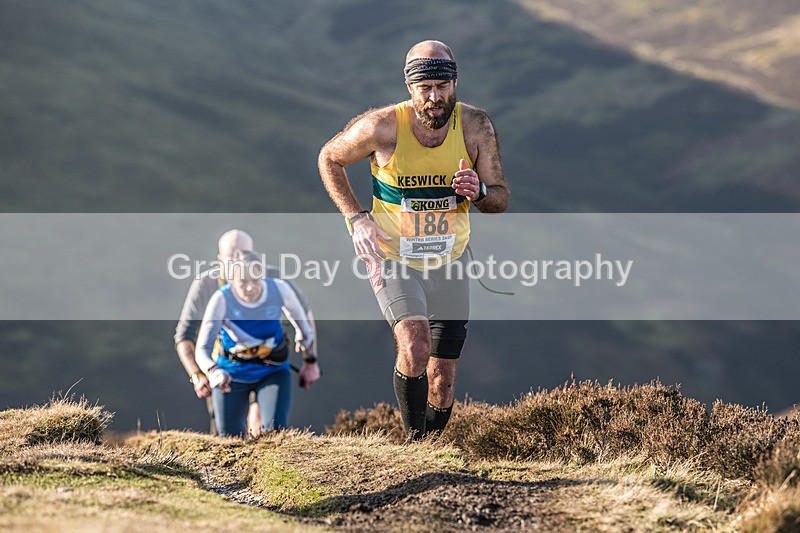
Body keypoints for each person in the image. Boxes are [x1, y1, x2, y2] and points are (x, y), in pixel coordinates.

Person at [318, 40, 510, 439]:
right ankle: (414, 444)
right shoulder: (382, 127)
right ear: (410, 88)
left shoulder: (475, 126)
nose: (435, 97)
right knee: (416, 345)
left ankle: (434, 446)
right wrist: (357, 218)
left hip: (451, 260)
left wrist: (478, 193)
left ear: (456, 82)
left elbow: (500, 197)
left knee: (443, 381)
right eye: (425, 88)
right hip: (393, 258)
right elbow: (329, 158)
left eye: (443, 86)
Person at [173, 229, 317, 435]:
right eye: (231, 257)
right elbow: (184, 337)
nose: (237, 262)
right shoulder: (210, 286)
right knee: (227, 437)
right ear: (219, 259)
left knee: (267, 429)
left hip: (269, 365)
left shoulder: (274, 279)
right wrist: (200, 374)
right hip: (226, 368)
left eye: (243, 254)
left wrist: (311, 360)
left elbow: (305, 317)